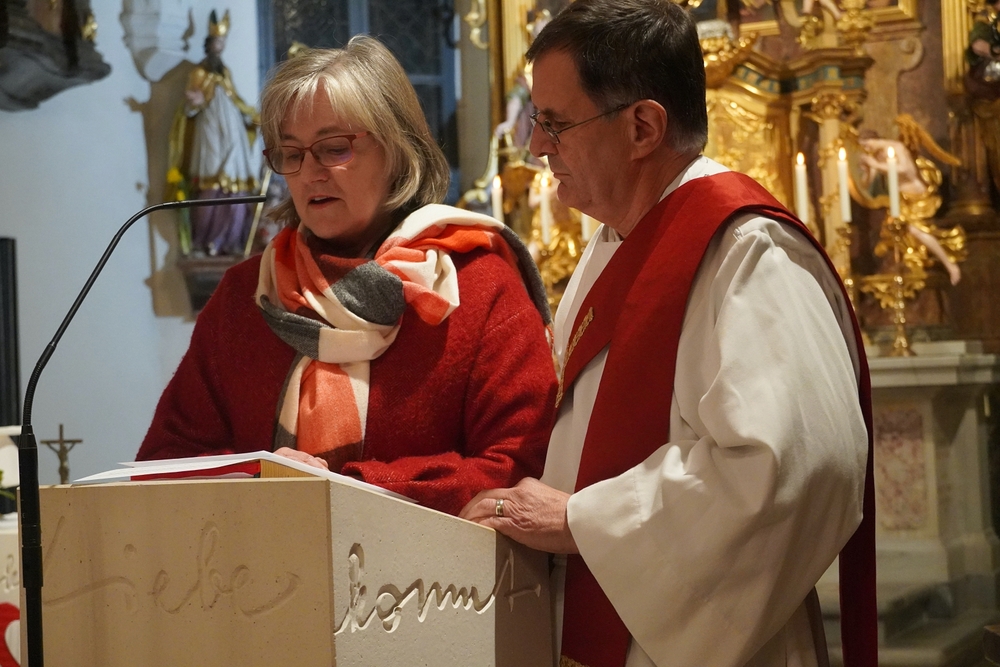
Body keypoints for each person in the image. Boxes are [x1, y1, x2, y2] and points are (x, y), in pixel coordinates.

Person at [459, 2, 876, 666]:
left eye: (555, 123)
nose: (536, 146)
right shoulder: (610, 245)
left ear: (643, 127)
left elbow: (794, 467)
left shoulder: (747, 250)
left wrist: (580, 520)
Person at [140, 35, 557, 516]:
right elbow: (165, 462)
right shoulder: (245, 296)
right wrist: (260, 476)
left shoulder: (478, 286)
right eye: (291, 153)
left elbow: (520, 467)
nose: (309, 173)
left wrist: (346, 491)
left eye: (334, 148)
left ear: (398, 149)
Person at [167, 10, 261, 256]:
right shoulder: (198, 73)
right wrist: (193, 102)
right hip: (209, 132)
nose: (219, 47)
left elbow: (236, 100)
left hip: (233, 133)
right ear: (208, 45)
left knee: (236, 186)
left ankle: (232, 241)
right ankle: (205, 240)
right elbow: (189, 108)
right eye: (216, 43)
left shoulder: (225, 72)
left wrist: (251, 117)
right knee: (211, 182)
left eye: (222, 43)